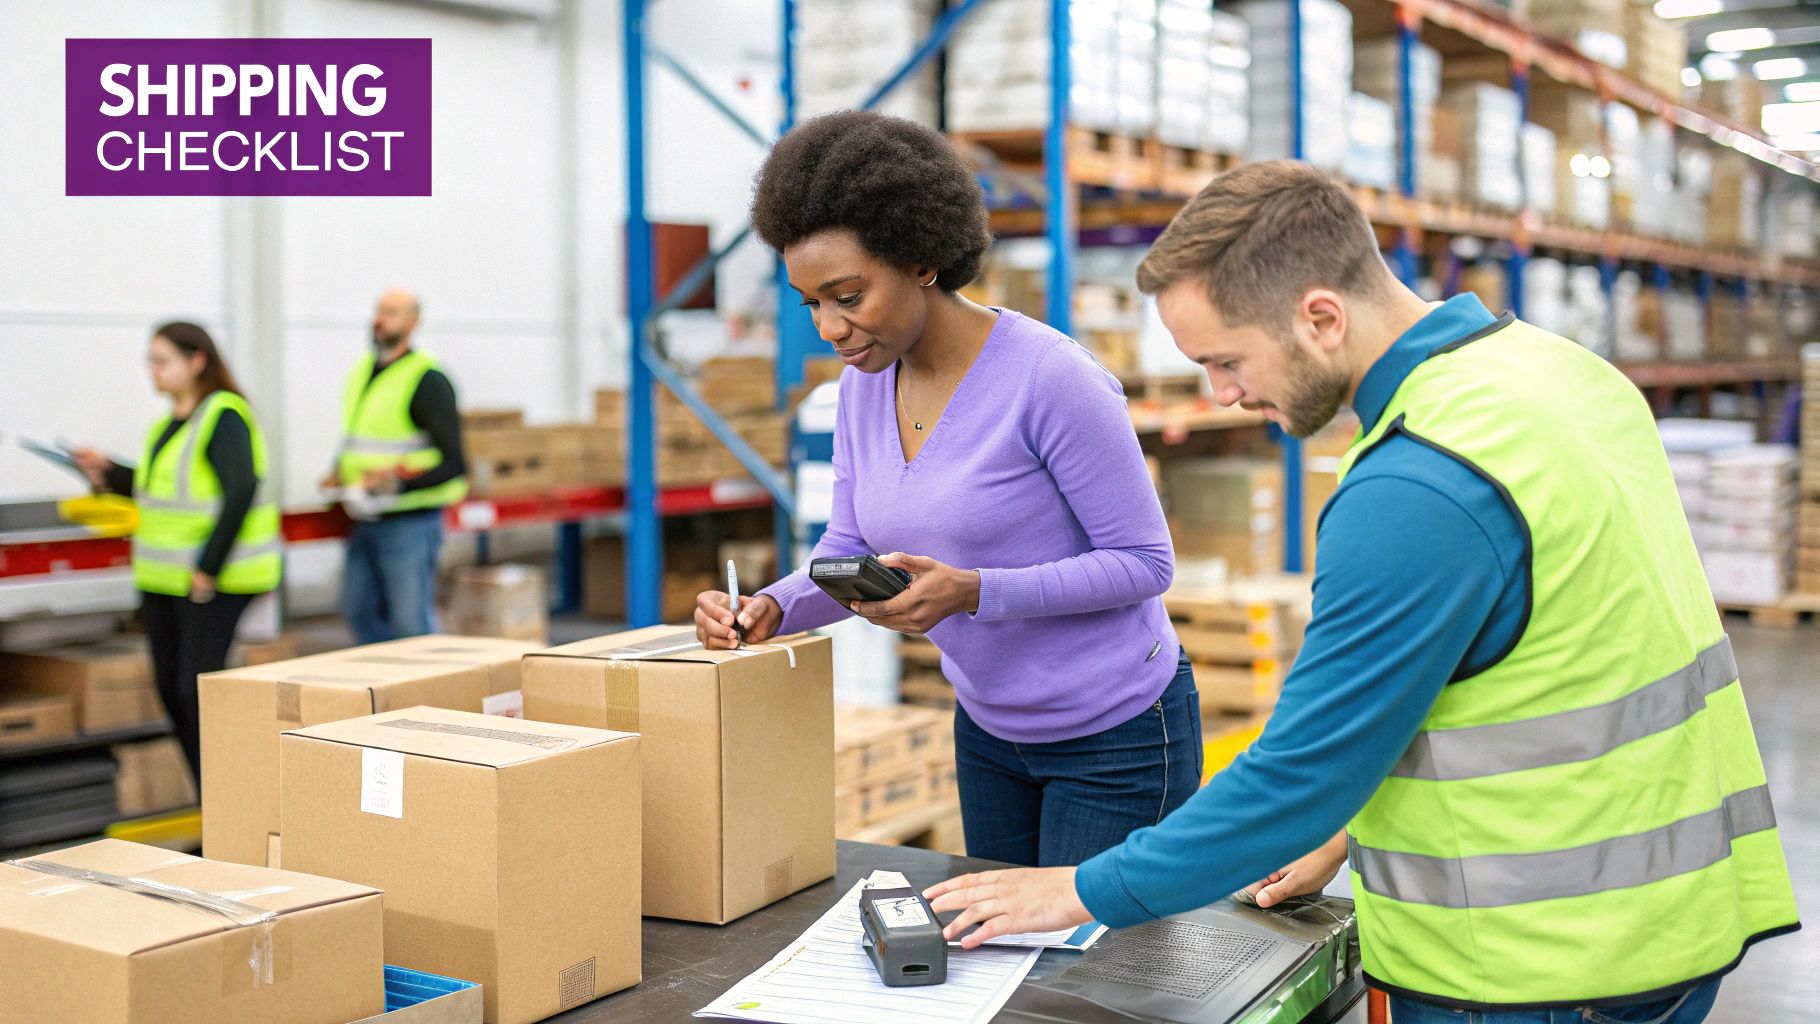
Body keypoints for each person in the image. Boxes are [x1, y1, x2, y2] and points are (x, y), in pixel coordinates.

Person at [924, 162, 1800, 1024]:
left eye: (1226, 360)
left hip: (1525, 967)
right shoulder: (1564, 374)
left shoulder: (1414, 487)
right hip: (1671, 922)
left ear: (1320, 317)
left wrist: (1076, 891)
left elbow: (1299, 773)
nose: (1222, 395)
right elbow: (1547, 659)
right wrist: (1346, 831)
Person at [693, 110, 1202, 868]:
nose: (829, 327)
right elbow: (848, 545)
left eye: (848, 295)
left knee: (1090, 974)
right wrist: (772, 607)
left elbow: (1144, 563)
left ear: (921, 260)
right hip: (989, 729)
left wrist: (973, 592)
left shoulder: (1050, 379)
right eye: (812, 303)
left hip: (1117, 736)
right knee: (1006, 971)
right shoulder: (866, 383)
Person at [73, 322, 281, 781]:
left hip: (211, 581)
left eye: (162, 360)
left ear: (197, 361)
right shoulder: (167, 427)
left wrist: (208, 568)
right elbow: (156, 493)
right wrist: (107, 474)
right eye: (150, 360)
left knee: (195, 692)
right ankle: (215, 812)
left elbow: (240, 490)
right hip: (163, 580)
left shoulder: (223, 415)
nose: (154, 371)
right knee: (171, 691)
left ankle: (232, 810)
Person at [321, 288, 467, 644]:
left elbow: (454, 463)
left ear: (413, 323)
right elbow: (357, 435)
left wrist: (395, 482)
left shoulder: (427, 379)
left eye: (392, 312)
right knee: (358, 611)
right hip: (365, 517)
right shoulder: (362, 371)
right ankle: (386, 692)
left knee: (411, 623)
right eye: (379, 310)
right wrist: (338, 469)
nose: (380, 319)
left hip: (409, 523)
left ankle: (423, 693)